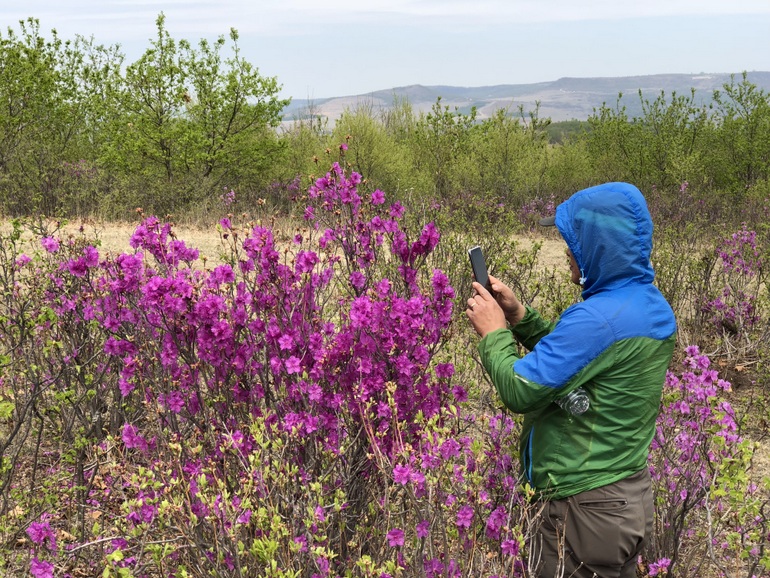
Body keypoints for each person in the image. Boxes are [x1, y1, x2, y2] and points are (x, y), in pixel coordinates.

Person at [466, 182, 676, 578]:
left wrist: (494, 333)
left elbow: (520, 389)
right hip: (625, 500)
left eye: (573, 241)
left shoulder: (596, 319)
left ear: (599, 244)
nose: (567, 252)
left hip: (584, 510)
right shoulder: (649, 305)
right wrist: (520, 319)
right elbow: (583, 363)